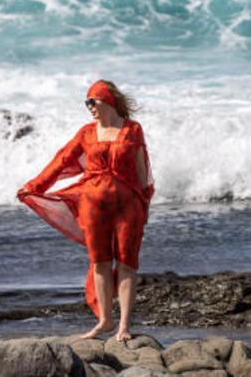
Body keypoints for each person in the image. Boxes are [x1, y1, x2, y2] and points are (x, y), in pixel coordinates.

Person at [17, 80, 154, 341]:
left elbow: (142, 171)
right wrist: (35, 185)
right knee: (100, 263)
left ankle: (124, 326)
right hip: (93, 206)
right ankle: (104, 321)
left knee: (127, 263)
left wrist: (144, 203)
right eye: (86, 102)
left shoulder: (133, 130)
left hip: (129, 208)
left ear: (108, 100)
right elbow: (61, 161)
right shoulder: (86, 133)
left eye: (93, 101)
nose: (89, 106)